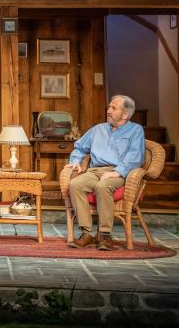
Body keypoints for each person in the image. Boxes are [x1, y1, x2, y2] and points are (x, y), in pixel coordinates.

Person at [64, 94, 145, 251]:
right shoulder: (98, 129)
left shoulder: (136, 130)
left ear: (125, 115)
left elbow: (135, 157)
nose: (108, 111)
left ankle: (105, 235)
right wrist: (76, 161)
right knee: (75, 184)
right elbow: (80, 147)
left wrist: (117, 172)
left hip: (118, 172)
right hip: (95, 170)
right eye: (109, 107)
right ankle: (87, 234)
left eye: (113, 108)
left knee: (103, 186)